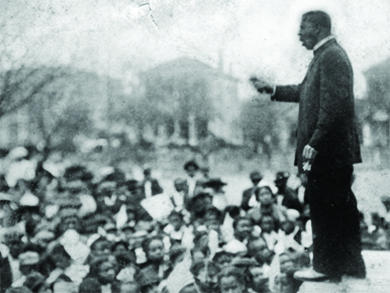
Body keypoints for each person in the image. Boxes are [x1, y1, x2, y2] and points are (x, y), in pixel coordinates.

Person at [251, 10, 365, 281]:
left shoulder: (331, 57)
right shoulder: (325, 57)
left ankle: (326, 267)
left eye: (303, 28)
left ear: (318, 28)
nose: (299, 34)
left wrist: (315, 141)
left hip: (327, 151)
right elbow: (306, 92)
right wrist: (273, 89)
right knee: (340, 206)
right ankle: (349, 264)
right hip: (332, 150)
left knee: (326, 207)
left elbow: (334, 107)